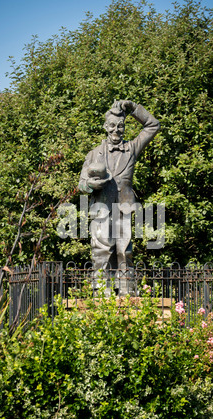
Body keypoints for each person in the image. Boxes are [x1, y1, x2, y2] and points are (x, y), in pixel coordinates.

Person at [78, 100, 160, 295]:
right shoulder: (93, 154)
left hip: (124, 206)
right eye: (113, 125)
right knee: (102, 249)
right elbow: (81, 184)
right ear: (106, 127)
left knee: (125, 250)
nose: (117, 130)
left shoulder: (131, 149)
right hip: (101, 206)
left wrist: (133, 109)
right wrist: (91, 185)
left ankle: (127, 290)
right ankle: (101, 291)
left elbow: (153, 125)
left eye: (121, 126)